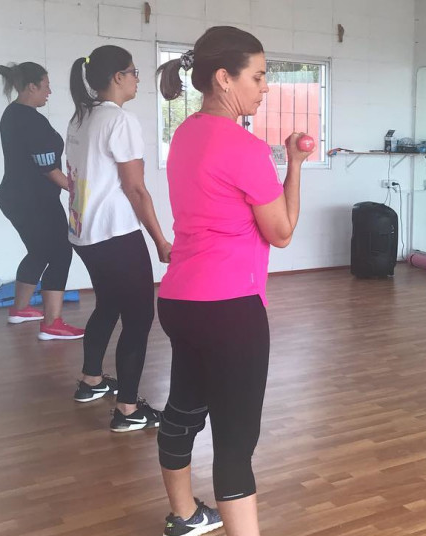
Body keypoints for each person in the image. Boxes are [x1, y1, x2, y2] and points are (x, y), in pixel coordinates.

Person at [155, 26, 313, 536]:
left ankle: (184, 516)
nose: (265, 87)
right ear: (224, 78)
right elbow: (281, 232)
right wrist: (294, 165)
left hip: (179, 301)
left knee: (183, 408)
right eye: (259, 77)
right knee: (235, 442)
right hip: (230, 309)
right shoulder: (245, 148)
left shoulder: (184, 133)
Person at [66, 45, 171, 431]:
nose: (138, 79)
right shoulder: (119, 121)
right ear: (117, 77)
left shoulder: (81, 116)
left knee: (108, 304)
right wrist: (160, 240)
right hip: (115, 235)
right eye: (134, 72)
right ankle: (128, 410)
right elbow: (136, 189)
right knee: (139, 318)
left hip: (84, 233)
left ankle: (91, 380)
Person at [0, 62, 84, 340]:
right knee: (60, 252)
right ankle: (52, 323)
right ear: (31, 86)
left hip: (16, 197)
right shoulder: (30, 120)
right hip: (34, 200)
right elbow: (49, 169)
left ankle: (20, 309)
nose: (49, 91)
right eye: (46, 86)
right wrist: (79, 192)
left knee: (38, 251)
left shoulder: (13, 113)